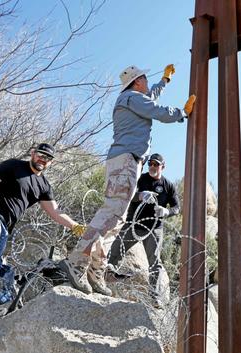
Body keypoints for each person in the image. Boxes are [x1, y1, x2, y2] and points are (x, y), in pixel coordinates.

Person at [60, 64, 195, 296]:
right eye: (145, 78)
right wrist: (181, 113)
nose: (146, 81)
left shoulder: (132, 98)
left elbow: (150, 96)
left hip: (127, 162)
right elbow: (156, 110)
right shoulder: (132, 98)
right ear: (137, 81)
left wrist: (164, 81)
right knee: (112, 213)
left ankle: (96, 270)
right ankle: (76, 261)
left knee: (117, 219)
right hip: (125, 162)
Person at [0, 143, 86, 329]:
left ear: (51, 162)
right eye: (40, 155)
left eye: (47, 158)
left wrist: (75, 226)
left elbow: (55, 212)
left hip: (5, 227)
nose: (42, 160)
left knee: (0, 267)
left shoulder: (43, 185)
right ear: (32, 153)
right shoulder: (15, 165)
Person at [108, 153, 180, 306]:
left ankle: (154, 296)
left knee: (154, 263)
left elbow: (176, 207)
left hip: (154, 228)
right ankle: (104, 280)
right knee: (115, 250)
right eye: (151, 164)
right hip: (134, 223)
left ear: (163, 167)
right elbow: (127, 193)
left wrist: (166, 212)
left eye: (156, 164)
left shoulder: (168, 185)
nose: (153, 166)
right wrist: (140, 195)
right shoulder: (140, 178)